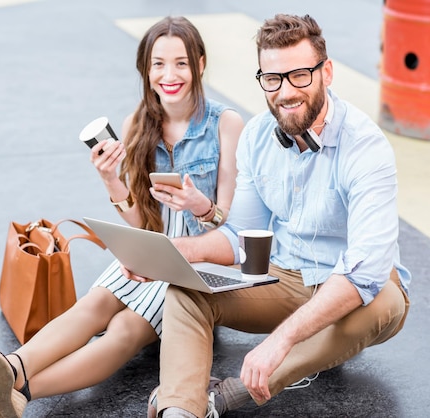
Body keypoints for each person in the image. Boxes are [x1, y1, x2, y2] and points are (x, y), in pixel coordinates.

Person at [0, 15, 244, 418]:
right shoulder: (136, 125)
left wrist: (199, 206)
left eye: (181, 63)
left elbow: (232, 226)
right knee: (94, 304)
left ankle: (12, 392)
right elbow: (143, 224)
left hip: (198, 266)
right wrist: (109, 179)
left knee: (122, 331)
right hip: (153, 252)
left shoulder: (226, 124)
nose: (168, 75)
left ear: (200, 64)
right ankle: (12, 371)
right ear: (145, 69)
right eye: (158, 64)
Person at [142, 14, 411, 418]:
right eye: (273, 79)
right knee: (186, 288)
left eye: (300, 75)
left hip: (351, 289)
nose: (286, 91)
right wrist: (174, 251)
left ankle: (227, 396)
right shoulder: (256, 137)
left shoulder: (366, 147)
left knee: (385, 299)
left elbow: (364, 272)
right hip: (286, 277)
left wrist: (278, 340)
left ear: (327, 73)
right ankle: (180, 410)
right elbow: (237, 237)